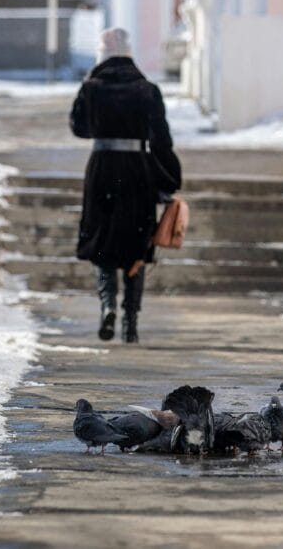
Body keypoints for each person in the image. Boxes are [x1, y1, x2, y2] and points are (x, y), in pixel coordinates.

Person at [70, 28, 182, 343]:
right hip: (137, 170)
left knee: (101, 241)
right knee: (137, 245)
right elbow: (161, 139)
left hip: (102, 168)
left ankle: (107, 305)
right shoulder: (147, 90)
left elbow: (78, 127)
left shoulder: (91, 87)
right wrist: (170, 177)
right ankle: (130, 323)